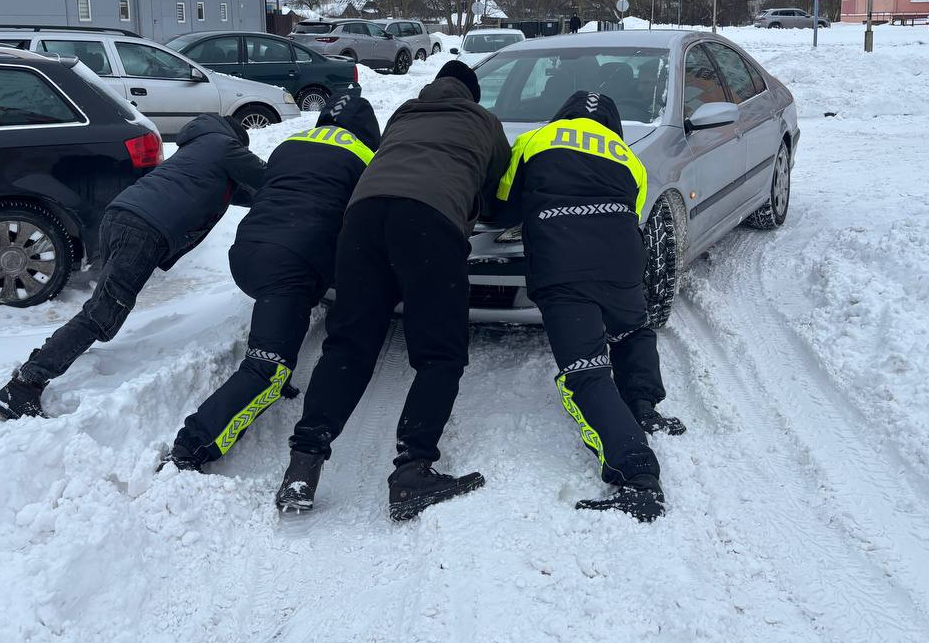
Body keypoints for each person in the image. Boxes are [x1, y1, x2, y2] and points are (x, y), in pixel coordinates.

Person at [275, 60, 511, 521]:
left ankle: (302, 468)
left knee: (348, 345)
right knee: (439, 353)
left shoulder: (405, 112)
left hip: (362, 219)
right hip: (430, 222)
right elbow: (500, 194)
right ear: (472, 95)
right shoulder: (485, 122)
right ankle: (413, 472)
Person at [0, 114, 266, 420]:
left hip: (122, 216)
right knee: (103, 312)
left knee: (103, 306)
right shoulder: (224, 145)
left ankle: (46, 359)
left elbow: (246, 193)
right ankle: (25, 383)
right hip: (144, 229)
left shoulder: (198, 149)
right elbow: (270, 178)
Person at [496, 90, 685, 522]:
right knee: (633, 330)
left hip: (563, 267)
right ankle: (643, 407)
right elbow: (632, 213)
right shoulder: (627, 156)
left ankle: (637, 475)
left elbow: (504, 203)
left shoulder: (536, 139)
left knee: (585, 373)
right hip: (621, 262)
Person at [164, 96, 381, 471]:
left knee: (280, 323)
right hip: (290, 262)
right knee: (268, 367)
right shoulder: (364, 156)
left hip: (247, 253)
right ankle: (194, 445)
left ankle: (275, 367)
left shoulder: (291, 143)